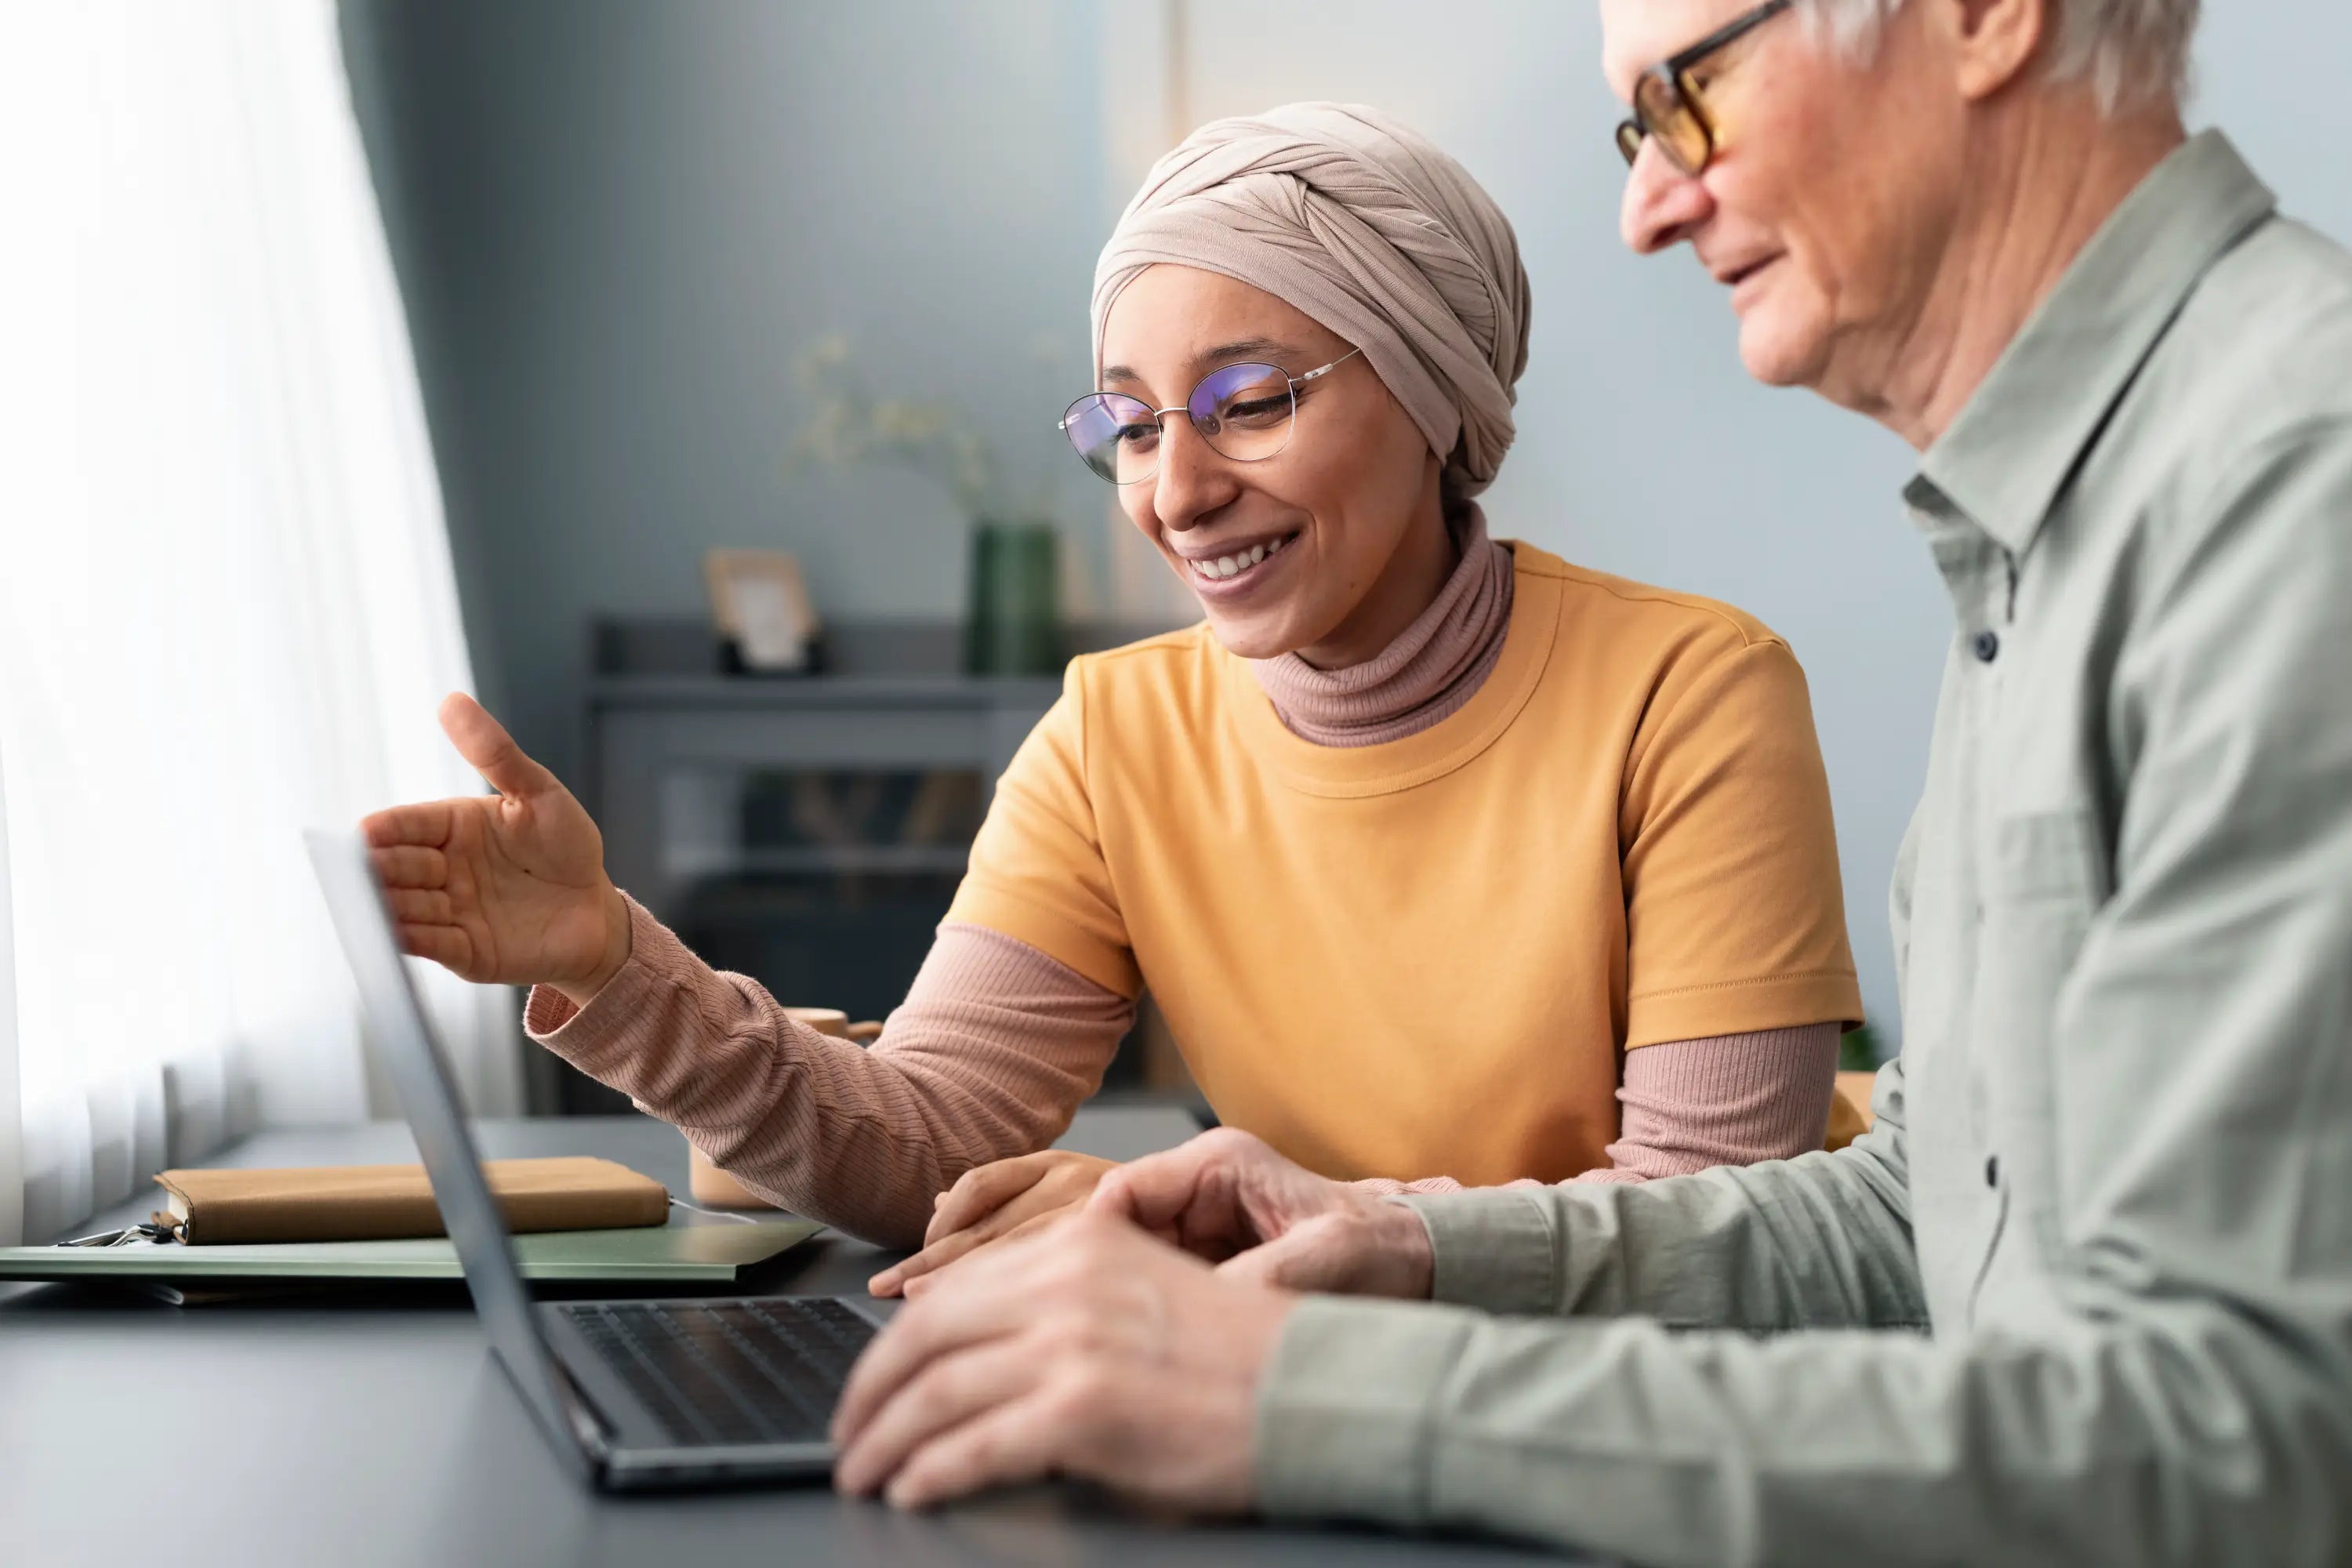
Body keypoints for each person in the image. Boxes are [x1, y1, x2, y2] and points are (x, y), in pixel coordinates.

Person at [828, 1, 2352, 1560]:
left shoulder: (2296, 488)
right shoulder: (2060, 526)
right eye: (1640, 127)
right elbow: (1922, 1214)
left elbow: (2249, 1432)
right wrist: (1401, 1245)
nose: (1644, 208)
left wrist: (1316, 1389)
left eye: (1688, 92)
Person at [363, 104, 1864, 1288]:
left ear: (1434, 389)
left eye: (1251, 401)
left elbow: (1710, 1233)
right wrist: (617, 965)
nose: (1180, 493)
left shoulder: (1692, 693)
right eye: (1132, 426)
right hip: (1306, 1379)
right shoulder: (1116, 732)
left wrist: (1218, 1229)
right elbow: (926, 1144)